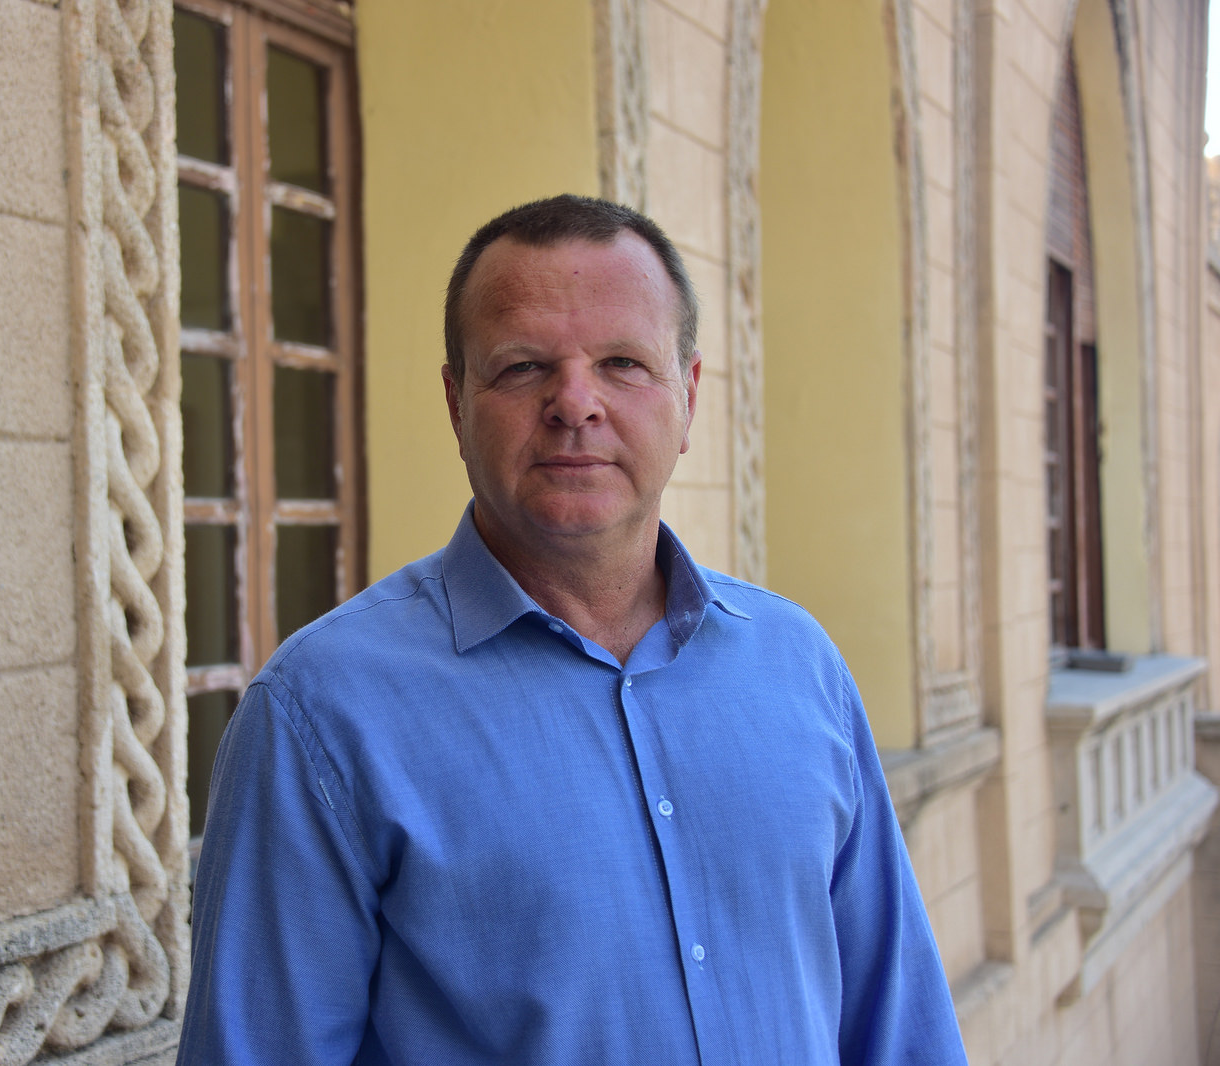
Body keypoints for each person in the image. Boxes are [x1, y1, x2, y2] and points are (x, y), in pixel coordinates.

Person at [177, 194, 967, 1065]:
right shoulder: (320, 715)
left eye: (623, 362)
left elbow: (901, 1032)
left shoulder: (799, 667)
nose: (575, 403)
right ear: (456, 403)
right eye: (523, 368)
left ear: (688, 395)